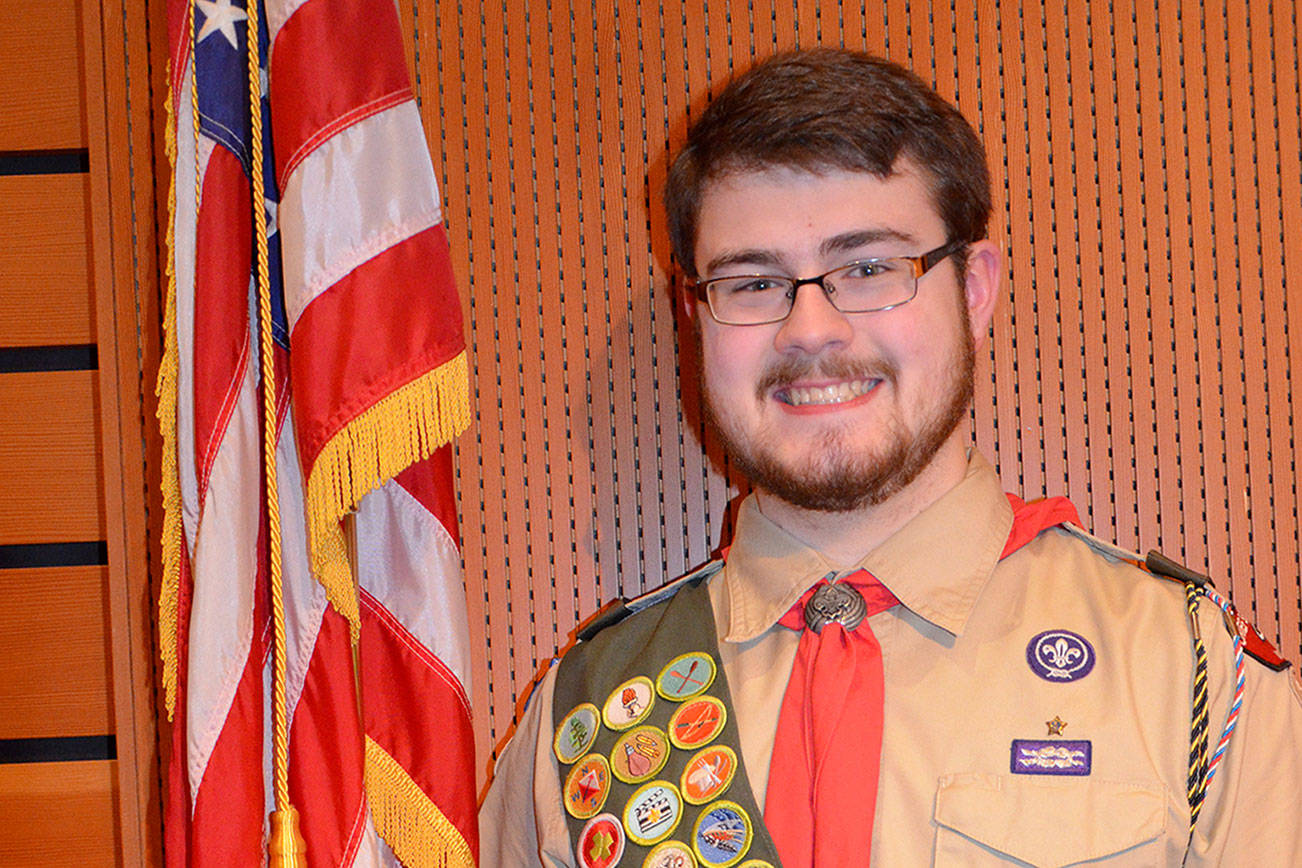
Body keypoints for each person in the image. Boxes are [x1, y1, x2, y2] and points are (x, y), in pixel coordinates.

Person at [478, 48, 1302, 867]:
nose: (809, 330)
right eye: (753, 282)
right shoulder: (582, 720)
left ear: (975, 289)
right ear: (694, 316)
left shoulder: (1193, 679)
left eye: (869, 268)